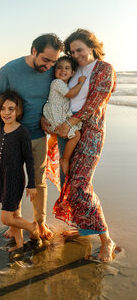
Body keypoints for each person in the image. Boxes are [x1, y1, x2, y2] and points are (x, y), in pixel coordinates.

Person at [0, 33, 63, 240]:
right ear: (33, 51)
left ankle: (40, 223)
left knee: (38, 181)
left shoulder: (52, 71)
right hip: (11, 137)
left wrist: (48, 119)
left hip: (38, 136)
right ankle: (15, 223)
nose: (49, 67)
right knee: (14, 179)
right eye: (46, 60)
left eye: (53, 62)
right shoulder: (10, 70)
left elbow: (57, 99)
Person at [52, 28, 119, 262]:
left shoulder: (104, 69)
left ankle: (106, 240)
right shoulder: (75, 69)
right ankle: (84, 229)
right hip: (67, 132)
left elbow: (95, 103)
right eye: (72, 51)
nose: (76, 54)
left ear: (92, 47)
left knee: (81, 183)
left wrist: (69, 122)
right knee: (69, 181)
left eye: (79, 49)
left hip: (90, 132)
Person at [0, 91, 39, 254]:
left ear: (18, 110)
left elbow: (29, 159)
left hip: (14, 178)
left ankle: (32, 227)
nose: (7, 113)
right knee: (13, 213)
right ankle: (19, 244)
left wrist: (31, 184)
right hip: (1, 175)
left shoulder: (22, 132)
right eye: (3, 109)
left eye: (11, 109)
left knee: (6, 218)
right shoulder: (0, 126)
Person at [43, 55, 87, 176]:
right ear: (55, 70)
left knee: (60, 136)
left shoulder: (62, 83)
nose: (63, 70)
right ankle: (64, 159)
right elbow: (70, 94)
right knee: (76, 135)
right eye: (60, 68)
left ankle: (49, 153)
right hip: (56, 117)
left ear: (72, 72)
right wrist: (81, 83)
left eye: (67, 68)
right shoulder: (57, 82)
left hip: (57, 116)